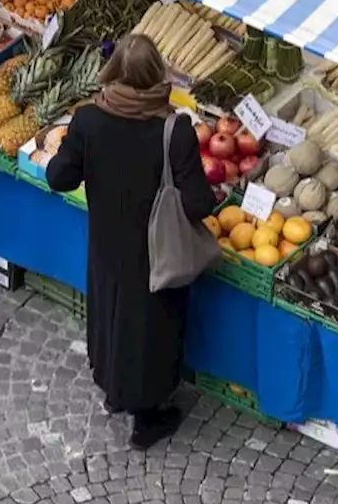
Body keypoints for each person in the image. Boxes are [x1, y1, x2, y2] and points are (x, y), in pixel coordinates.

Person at [46, 35, 217, 450]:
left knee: (110, 316)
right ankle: (148, 419)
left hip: (107, 245)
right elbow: (197, 204)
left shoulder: (88, 119)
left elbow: (59, 177)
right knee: (151, 329)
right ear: (158, 73)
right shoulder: (175, 130)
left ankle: (114, 390)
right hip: (156, 252)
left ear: (113, 72)